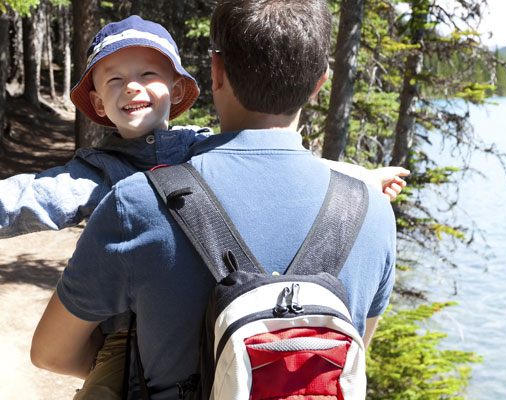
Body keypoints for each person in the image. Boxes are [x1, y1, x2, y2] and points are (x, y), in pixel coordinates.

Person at [0, 14, 404, 400]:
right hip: (125, 341)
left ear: (179, 88)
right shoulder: (98, 175)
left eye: (147, 75)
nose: (132, 89)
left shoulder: (200, 145)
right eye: (113, 80)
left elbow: (275, 161)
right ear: (96, 102)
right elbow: (26, 196)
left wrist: (358, 176)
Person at [29, 2, 398, 399]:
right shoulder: (372, 212)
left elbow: (51, 353)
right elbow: (354, 351)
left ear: (216, 71)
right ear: (319, 84)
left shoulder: (137, 203)